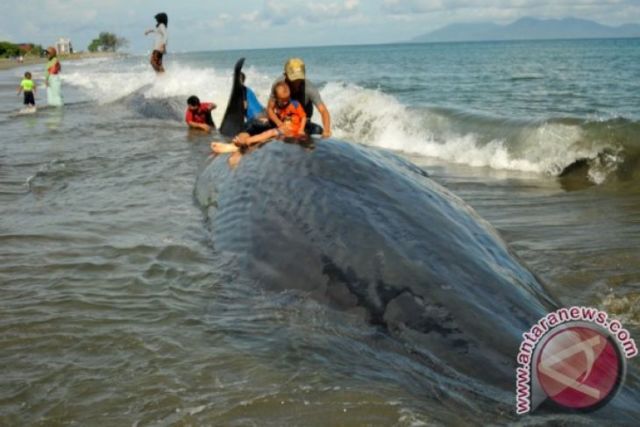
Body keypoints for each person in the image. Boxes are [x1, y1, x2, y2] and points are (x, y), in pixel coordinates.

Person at [211, 81, 306, 154]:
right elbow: (273, 112)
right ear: (277, 98)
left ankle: (245, 142)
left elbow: (304, 116)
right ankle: (240, 143)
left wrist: (301, 130)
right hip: (284, 127)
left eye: (287, 99)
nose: (285, 102)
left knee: (269, 133)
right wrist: (271, 120)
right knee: (264, 133)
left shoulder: (295, 104)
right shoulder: (278, 103)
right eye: (282, 100)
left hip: (292, 129)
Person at [267, 58, 331, 138]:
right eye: (293, 79)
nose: (296, 82)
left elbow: (323, 111)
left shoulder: (309, 88)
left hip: (302, 123)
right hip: (282, 119)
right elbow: (270, 109)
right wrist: (279, 124)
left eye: (299, 79)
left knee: (318, 130)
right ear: (285, 75)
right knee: (258, 124)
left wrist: (327, 130)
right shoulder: (278, 85)